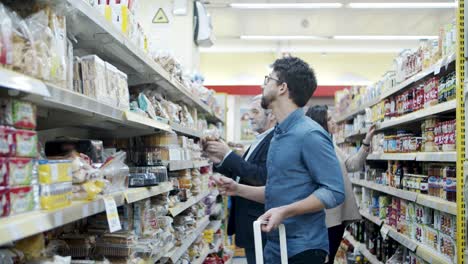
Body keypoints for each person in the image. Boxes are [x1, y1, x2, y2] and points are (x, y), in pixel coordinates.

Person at [213, 57, 345, 264]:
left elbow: (334, 191)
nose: (262, 85)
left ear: (282, 88)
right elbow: (279, 191)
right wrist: (237, 189)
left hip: (303, 249)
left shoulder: (309, 134)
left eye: (268, 79)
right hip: (275, 246)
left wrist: (286, 211)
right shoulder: (278, 135)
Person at [203, 95, 276, 264]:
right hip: (252, 223)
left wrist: (227, 154)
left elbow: (260, 177)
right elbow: (243, 173)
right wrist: (219, 161)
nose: (250, 116)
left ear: (271, 115)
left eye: (255, 111)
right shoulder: (260, 140)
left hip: (260, 222)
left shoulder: (273, 140)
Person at [305, 105, 375, 263]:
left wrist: (366, 142)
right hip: (327, 218)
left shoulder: (330, 144)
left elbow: (352, 165)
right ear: (319, 123)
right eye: (329, 119)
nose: (334, 121)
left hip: (338, 214)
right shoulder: (315, 147)